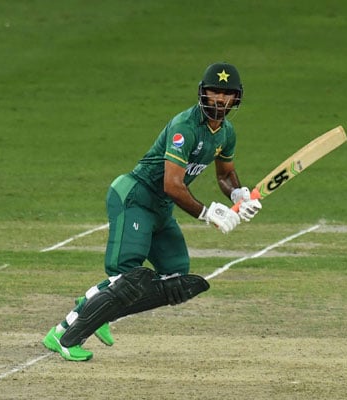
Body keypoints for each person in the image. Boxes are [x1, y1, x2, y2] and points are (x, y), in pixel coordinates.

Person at [42, 62, 262, 361]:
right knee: (128, 276)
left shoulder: (226, 133)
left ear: (236, 98)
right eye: (214, 92)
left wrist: (238, 194)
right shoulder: (185, 127)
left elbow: (225, 175)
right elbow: (172, 184)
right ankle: (63, 335)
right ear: (203, 93)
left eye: (226, 94)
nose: (219, 99)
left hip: (160, 208)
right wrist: (207, 213)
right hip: (135, 196)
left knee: (176, 280)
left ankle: (100, 311)